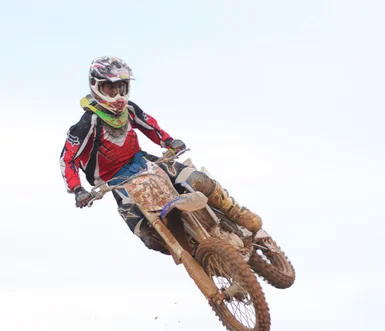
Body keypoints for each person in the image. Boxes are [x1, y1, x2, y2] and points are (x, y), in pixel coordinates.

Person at [60, 56, 262, 253]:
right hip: (116, 181)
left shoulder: (129, 109)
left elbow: (151, 127)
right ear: (96, 86)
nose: (117, 94)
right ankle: (195, 252)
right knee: (142, 229)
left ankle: (236, 212)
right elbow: (67, 159)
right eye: (110, 88)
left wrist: (169, 141)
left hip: (142, 161)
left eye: (121, 87)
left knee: (195, 179)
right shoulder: (87, 124)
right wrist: (78, 190)